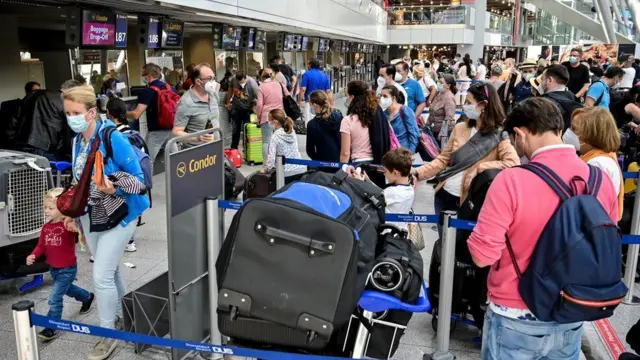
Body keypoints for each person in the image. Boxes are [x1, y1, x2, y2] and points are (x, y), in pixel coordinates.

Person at [467, 97, 618, 359]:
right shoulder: (599, 179)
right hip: (573, 308)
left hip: (516, 311)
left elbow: (482, 257)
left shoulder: (511, 180)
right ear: (560, 130)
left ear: (519, 133)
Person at [62, 84, 150, 360]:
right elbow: (79, 181)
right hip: (92, 215)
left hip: (121, 213)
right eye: (67, 112)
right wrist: (71, 213)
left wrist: (115, 187)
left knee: (100, 276)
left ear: (91, 112)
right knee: (109, 272)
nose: (71, 117)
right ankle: (128, 315)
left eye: (75, 112)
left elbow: (141, 182)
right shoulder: (77, 141)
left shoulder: (112, 137)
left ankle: (108, 334)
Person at [411, 82, 519, 239]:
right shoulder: (460, 128)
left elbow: (513, 163)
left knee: (459, 248)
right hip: (443, 195)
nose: (464, 106)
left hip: (468, 201)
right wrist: (418, 172)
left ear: (483, 105)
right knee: (444, 243)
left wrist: (482, 167)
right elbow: (443, 159)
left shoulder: (499, 136)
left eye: (468, 102)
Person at [27, 187, 95, 341]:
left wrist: (76, 227)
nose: (46, 211)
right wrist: (33, 255)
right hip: (53, 268)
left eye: (51, 208)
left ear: (62, 208)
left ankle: (51, 327)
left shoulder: (68, 225)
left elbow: (82, 232)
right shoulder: (46, 227)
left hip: (67, 269)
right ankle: (87, 297)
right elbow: (41, 246)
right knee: (68, 289)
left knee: (55, 297)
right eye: (45, 207)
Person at [105, 98, 145, 253]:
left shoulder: (112, 135)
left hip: (119, 180)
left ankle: (119, 242)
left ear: (108, 113)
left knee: (117, 209)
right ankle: (130, 241)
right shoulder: (133, 133)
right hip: (134, 179)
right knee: (129, 208)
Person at [572, 107, 623, 217]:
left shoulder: (597, 164)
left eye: (574, 129)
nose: (573, 134)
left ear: (590, 133)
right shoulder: (604, 158)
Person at [353, 148, 415, 231]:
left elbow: (375, 196)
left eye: (385, 171)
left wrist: (359, 182)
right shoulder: (409, 188)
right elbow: (380, 192)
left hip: (387, 233)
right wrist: (368, 180)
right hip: (400, 230)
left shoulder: (393, 193)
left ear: (395, 173)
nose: (385, 174)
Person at [127, 63, 174, 162]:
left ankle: (147, 178)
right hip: (171, 126)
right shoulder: (168, 87)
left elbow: (136, 114)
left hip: (157, 131)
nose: (142, 77)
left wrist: (123, 113)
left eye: (143, 75)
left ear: (148, 76)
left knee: (147, 160)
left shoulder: (149, 91)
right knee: (175, 157)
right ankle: (180, 177)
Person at [171, 63, 219, 148]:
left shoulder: (213, 94)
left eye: (213, 78)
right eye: (209, 79)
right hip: (195, 155)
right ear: (198, 81)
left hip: (216, 149)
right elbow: (176, 132)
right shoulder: (186, 102)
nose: (213, 82)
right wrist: (197, 138)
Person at [537, 65, 582, 152]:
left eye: (542, 79)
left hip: (549, 149)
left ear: (549, 80)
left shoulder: (546, 103)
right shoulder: (573, 97)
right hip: (570, 150)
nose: (540, 83)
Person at [262, 109, 305, 182]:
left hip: (285, 173)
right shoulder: (291, 131)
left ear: (275, 121)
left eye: (269, 120)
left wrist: (265, 169)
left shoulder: (275, 136)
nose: (268, 123)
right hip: (300, 169)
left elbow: (271, 158)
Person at [256, 69, 289, 160]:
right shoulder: (280, 84)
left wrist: (258, 117)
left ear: (262, 77)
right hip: (280, 115)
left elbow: (259, 104)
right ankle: (280, 163)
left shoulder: (262, 87)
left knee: (266, 142)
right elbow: (288, 95)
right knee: (280, 140)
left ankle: (268, 165)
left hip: (267, 117)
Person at [340, 81, 376, 164]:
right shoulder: (375, 115)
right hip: (376, 162)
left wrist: (343, 169)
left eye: (346, 95)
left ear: (352, 97)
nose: (345, 98)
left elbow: (345, 153)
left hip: (358, 162)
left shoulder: (348, 120)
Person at [306, 90, 343, 167]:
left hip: (323, 163)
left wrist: (317, 160)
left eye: (310, 104)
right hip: (340, 162)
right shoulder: (339, 117)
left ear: (314, 105)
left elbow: (310, 150)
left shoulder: (312, 125)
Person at [380, 85, 420, 153]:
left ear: (393, 98)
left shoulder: (405, 110)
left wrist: (410, 152)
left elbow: (414, 133)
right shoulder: (384, 114)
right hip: (390, 153)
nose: (382, 99)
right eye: (381, 96)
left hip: (404, 151)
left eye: (385, 96)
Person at [225, 71, 259, 149]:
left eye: (242, 82)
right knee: (235, 129)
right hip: (236, 108)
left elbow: (259, 99)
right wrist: (228, 102)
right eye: (239, 83)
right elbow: (230, 89)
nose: (241, 84)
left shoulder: (253, 84)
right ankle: (234, 149)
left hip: (248, 109)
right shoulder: (233, 79)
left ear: (245, 78)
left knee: (247, 130)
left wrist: (257, 112)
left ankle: (247, 150)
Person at [298, 59, 333, 124]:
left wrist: (299, 102)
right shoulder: (324, 75)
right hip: (322, 102)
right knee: (321, 121)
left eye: (308, 64)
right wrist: (331, 104)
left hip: (310, 102)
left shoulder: (307, 74)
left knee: (309, 122)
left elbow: (303, 89)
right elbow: (328, 91)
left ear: (310, 65)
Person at [428, 74, 457, 143]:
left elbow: (449, 117)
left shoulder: (449, 98)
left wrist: (443, 133)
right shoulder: (439, 94)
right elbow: (432, 112)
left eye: (441, 83)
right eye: (438, 82)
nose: (438, 84)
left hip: (443, 134)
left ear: (448, 86)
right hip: (434, 130)